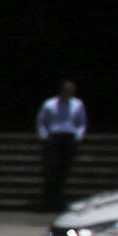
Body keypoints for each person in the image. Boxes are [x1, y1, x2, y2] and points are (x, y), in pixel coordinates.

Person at [37, 79, 90, 207]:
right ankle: (49, 197)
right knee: (51, 167)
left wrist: (78, 137)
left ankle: (59, 197)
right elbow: (41, 121)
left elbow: (82, 122)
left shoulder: (77, 104)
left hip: (69, 138)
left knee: (64, 168)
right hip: (54, 137)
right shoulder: (50, 104)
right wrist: (45, 136)